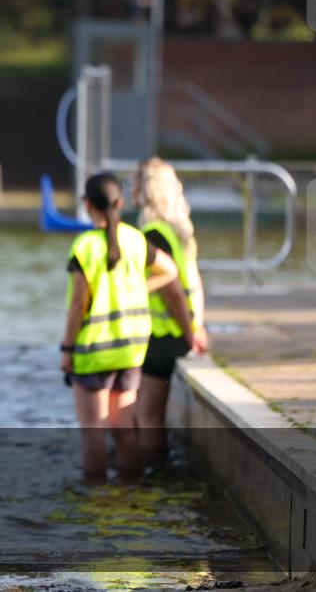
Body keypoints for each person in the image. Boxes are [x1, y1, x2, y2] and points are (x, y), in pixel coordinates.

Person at [60, 173, 191, 482]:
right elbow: (170, 271)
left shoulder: (85, 246)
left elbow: (78, 305)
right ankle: (129, 493)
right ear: (120, 203)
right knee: (124, 430)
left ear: (86, 204)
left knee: (94, 434)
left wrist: (67, 350)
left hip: (94, 350)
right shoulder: (135, 239)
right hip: (132, 348)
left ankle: (96, 500)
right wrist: (138, 288)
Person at [132, 158, 209, 461]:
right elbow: (195, 282)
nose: (131, 189)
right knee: (150, 413)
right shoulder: (178, 230)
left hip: (163, 336)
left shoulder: (153, 233)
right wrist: (197, 326)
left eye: (135, 183)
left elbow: (173, 291)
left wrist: (190, 335)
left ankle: (153, 473)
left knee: (147, 415)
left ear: (147, 189)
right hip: (177, 332)